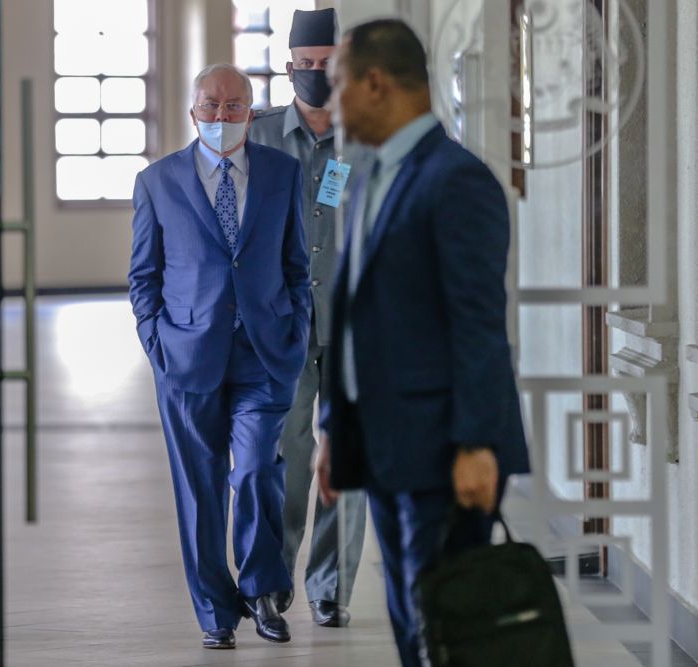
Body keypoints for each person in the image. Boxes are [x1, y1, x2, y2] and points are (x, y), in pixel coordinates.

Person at [314, 20, 530, 667]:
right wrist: (333, 429)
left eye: (337, 85)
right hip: (384, 445)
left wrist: (475, 443)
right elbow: (356, 318)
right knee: (414, 625)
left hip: (442, 451)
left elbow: (478, 325)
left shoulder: (456, 181)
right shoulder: (368, 178)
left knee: (448, 631)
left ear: (375, 84)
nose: (330, 104)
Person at [129, 64, 310, 649]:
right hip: (186, 355)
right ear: (193, 113)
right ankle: (214, 612)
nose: (221, 115)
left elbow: (297, 267)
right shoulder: (157, 182)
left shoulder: (284, 172)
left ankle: (262, 591)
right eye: (210, 105)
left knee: (257, 467)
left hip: (263, 352)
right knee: (199, 487)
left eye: (234, 106)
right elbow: (143, 277)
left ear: (250, 114)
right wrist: (157, 343)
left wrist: (296, 331)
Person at [248, 7, 367, 629]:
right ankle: (272, 581)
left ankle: (331, 586)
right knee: (284, 459)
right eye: (306, 65)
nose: (316, 74)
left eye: (327, 64)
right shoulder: (259, 135)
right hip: (281, 327)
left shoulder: (372, 134)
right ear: (288, 67)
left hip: (356, 327)